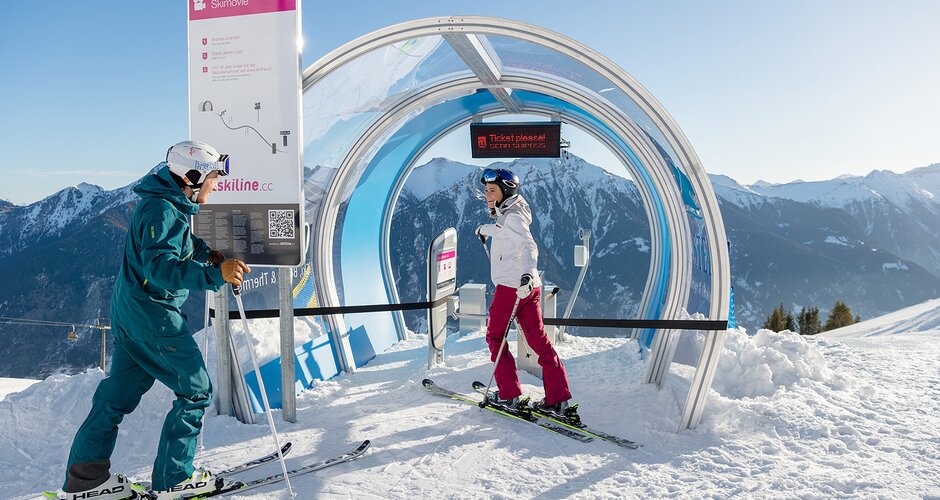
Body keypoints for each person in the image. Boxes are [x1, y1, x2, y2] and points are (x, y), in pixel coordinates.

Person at [60, 141, 251, 500]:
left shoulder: (167, 206)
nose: (216, 184)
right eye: (212, 177)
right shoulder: (161, 210)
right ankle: (174, 478)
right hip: (153, 319)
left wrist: (206, 254)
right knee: (196, 390)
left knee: (115, 398)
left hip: (132, 314)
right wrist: (215, 275)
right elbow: (159, 267)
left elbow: (175, 242)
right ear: (191, 178)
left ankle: (86, 478)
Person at [474, 167, 573, 415]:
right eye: (486, 190)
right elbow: (505, 231)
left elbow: (528, 245)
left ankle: (509, 395)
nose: (487, 194)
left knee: (495, 337)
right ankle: (558, 398)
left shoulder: (514, 216)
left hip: (512, 287)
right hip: (531, 289)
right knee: (538, 341)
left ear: (505, 191)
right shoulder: (510, 210)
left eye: (492, 190)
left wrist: (527, 272)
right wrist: (485, 229)